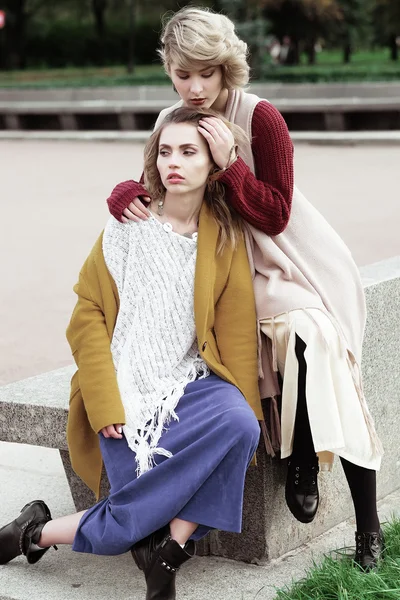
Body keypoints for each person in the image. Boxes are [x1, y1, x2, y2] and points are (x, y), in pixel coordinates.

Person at [105, 6, 385, 571]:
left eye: (205, 73)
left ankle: (355, 509)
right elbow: (156, 184)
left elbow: (276, 214)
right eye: (183, 74)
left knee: (317, 340)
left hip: (286, 258)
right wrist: (122, 193)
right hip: (220, 264)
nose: (195, 87)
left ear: (226, 68)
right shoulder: (172, 118)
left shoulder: (262, 118)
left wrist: (233, 166)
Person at [0, 107, 262, 600]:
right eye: (165, 152)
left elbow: (239, 337)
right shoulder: (128, 224)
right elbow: (87, 315)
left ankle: (168, 552)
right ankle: (32, 532)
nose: (174, 163)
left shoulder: (226, 238)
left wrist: (240, 430)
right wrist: (104, 400)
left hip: (186, 384)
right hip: (122, 389)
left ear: (213, 165)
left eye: (189, 152)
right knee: (131, 518)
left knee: (243, 424)